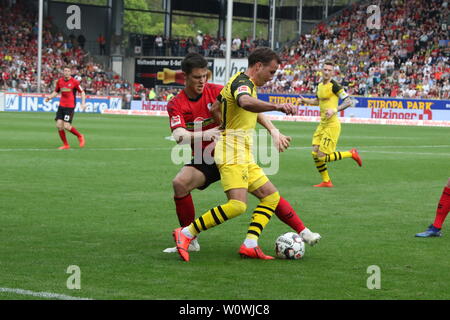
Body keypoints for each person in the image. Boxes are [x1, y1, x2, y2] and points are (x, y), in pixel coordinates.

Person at [172, 48, 321, 261]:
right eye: (271, 72)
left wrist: (266, 129)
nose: (272, 77)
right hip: (232, 152)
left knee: (271, 197)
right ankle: (186, 233)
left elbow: (215, 106)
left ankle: (250, 244)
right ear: (258, 66)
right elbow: (244, 102)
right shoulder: (244, 85)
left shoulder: (238, 82)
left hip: (241, 152)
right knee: (237, 205)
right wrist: (277, 106)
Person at [299, 61, 362, 188]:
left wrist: (334, 110)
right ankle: (326, 181)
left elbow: (349, 101)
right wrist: (305, 100)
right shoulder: (320, 86)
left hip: (332, 125)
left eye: (329, 70)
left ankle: (351, 153)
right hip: (322, 124)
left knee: (321, 157)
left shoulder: (335, 86)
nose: (327, 72)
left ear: (333, 73)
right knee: (315, 153)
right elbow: (317, 101)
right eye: (325, 69)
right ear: (321, 71)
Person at [44, 66, 86, 150]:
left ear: (70, 72)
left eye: (68, 71)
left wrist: (83, 103)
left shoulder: (75, 82)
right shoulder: (60, 81)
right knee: (59, 125)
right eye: (65, 70)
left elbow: (82, 92)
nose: (66, 72)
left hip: (69, 107)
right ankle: (66, 145)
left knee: (66, 126)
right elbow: (56, 92)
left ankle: (80, 136)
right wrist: (49, 97)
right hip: (61, 106)